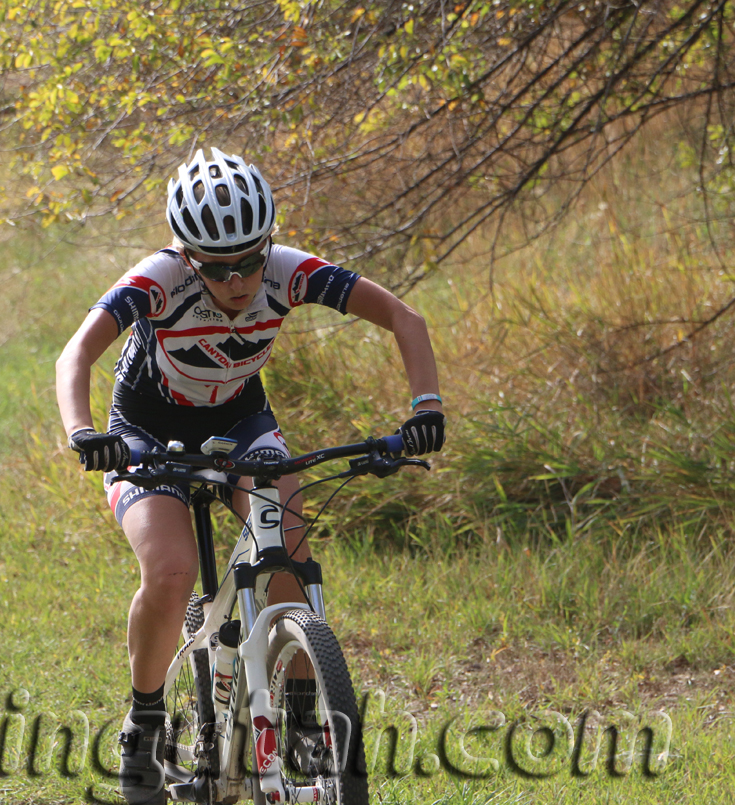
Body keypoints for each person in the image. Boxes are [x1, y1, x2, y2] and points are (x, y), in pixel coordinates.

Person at [55, 148, 444, 804]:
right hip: (143, 431)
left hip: (241, 421)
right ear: (185, 255)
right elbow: (76, 353)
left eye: (250, 259)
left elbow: (406, 318)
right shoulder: (157, 280)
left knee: (288, 552)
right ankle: (144, 722)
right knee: (173, 571)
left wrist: (425, 407)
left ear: (268, 243)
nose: (238, 279)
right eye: (217, 266)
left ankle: (301, 720)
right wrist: (84, 433)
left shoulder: (288, 271)